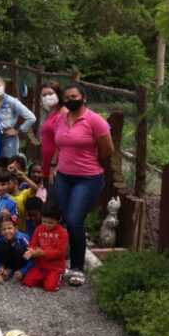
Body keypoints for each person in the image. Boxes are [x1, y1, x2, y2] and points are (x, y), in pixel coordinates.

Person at [53, 83, 112, 286]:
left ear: (84, 98)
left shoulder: (95, 121)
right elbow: (59, 145)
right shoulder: (61, 119)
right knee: (65, 218)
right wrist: (54, 166)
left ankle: (77, 267)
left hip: (87, 178)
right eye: (67, 97)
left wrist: (90, 162)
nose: (70, 100)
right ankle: (63, 257)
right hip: (63, 176)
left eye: (74, 96)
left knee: (74, 220)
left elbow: (107, 149)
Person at [0, 75, 36, 158]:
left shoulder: (12, 101)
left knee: (8, 162)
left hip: (8, 137)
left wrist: (18, 130)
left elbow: (31, 118)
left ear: (4, 85)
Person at [22, 203, 69, 292]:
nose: (47, 225)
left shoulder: (63, 232)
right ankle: (48, 278)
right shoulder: (39, 229)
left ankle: (58, 276)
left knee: (50, 287)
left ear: (58, 220)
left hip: (55, 267)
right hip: (41, 266)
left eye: (50, 223)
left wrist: (43, 253)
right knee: (28, 281)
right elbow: (33, 244)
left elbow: (60, 252)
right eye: (44, 221)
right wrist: (31, 251)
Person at [37, 80, 66, 184]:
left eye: (50, 93)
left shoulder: (63, 113)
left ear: (58, 94)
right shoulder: (50, 113)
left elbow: (62, 142)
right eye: (44, 95)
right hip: (47, 164)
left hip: (57, 167)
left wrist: (54, 165)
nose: (47, 97)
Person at [0, 216, 31, 284]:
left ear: (16, 229)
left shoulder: (23, 239)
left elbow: (32, 259)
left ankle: (14, 271)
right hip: (7, 262)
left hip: (22, 262)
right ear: (0, 231)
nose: (7, 231)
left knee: (17, 247)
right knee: (3, 246)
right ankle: (6, 269)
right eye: (4, 229)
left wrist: (22, 271)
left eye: (9, 228)